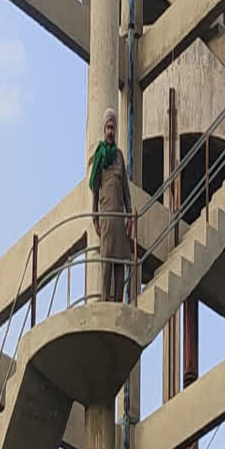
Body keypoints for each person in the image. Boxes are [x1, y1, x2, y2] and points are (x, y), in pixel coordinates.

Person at [89, 107, 133, 303]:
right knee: (106, 261)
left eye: (113, 128)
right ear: (103, 130)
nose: (110, 132)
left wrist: (129, 215)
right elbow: (95, 187)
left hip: (119, 216)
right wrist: (95, 217)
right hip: (106, 216)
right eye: (107, 128)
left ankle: (117, 302)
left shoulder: (119, 156)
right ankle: (106, 300)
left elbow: (125, 188)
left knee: (119, 262)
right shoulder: (100, 155)